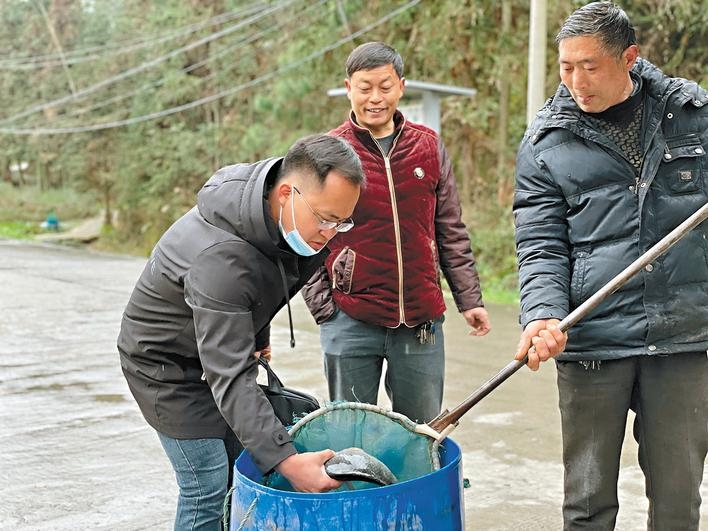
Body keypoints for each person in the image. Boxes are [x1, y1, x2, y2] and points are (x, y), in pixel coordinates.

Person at [513, 2, 707, 529]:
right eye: (565, 67)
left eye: (590, 66)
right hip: (592, 336)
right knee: (587, 503)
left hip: (682, 338)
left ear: (629, 58)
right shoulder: (544, 143)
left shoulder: (692, 115)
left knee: (678, 501)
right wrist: (541, 315)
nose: (576, 81)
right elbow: (540, 245)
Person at [117, 134, 365, 529]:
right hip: (165, 368)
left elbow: (260, 289)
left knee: (242, 467)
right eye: (324, 218)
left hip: (216, 346)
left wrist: (257, 339)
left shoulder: (293, 227)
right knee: (207, 484)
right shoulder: (220, 258)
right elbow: (229, 374)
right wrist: (287, 462)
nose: (330, 232)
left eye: (341, 221)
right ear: (286, 193)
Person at [302, 42, 491, 424]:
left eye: (385, 87)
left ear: (401, 86)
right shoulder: (327, 153)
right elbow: (305, 235)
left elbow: (450, 228)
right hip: (351, 318)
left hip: (420, 321)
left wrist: (469, 299)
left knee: (421, 434)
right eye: (365, 87)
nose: (375, 98)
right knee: (349, 434)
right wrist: (327, 312)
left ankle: (415, 487)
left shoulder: (428, 147)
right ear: (348, 87)